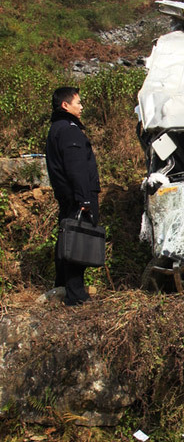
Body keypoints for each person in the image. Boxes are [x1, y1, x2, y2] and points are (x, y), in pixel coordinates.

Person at [46, 87, 100, 306]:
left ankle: (63, 287)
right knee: (78, 242)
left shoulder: (56, 128)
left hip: (69, 195)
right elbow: (76, 167)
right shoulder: (69, 130)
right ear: (65, 106)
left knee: (67, 240)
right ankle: (76, 296)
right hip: (78, 196)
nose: (82, 107)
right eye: (78, 103)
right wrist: (84, 199)